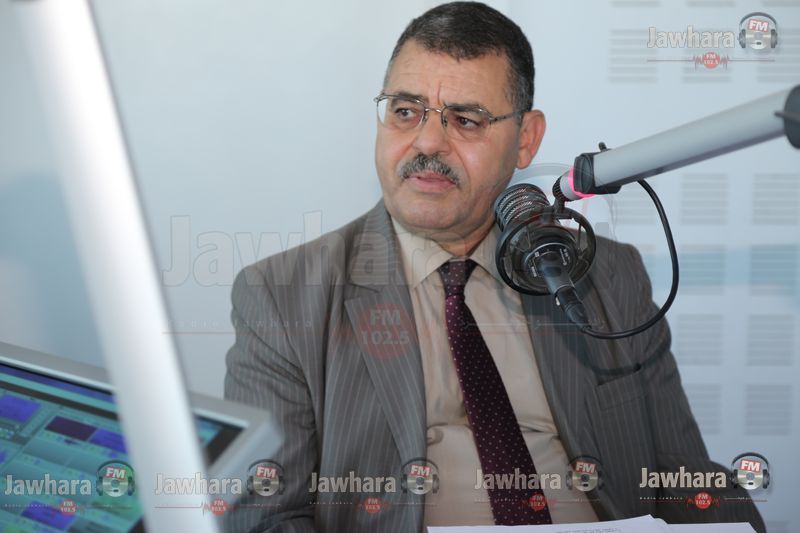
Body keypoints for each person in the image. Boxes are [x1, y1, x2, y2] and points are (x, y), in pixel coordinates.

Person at [224, 3, 765, 532]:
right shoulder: (282, 297)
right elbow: (267, 516)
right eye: (405, 111)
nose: (427, 142)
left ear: (526, 139)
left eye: (465, 120)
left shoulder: (608, 276)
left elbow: (684, 478)